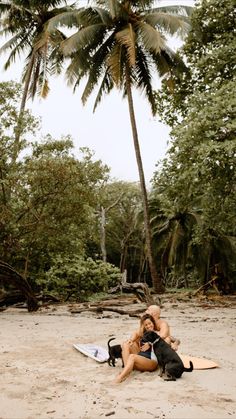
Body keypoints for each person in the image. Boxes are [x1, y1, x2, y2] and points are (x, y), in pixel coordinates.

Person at [114, 314, 158, 383]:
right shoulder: (143, 333)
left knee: (132, 357)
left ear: (153, 323)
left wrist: (150, 344)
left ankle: (120, 377)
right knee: (126, 344)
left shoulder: (158, 333)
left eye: (150, 323)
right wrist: (131, 340)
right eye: (146, 325)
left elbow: (166, 340)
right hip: (141, 359)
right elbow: (136, 333)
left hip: (151, 361)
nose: (148, 326)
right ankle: (127, 370)